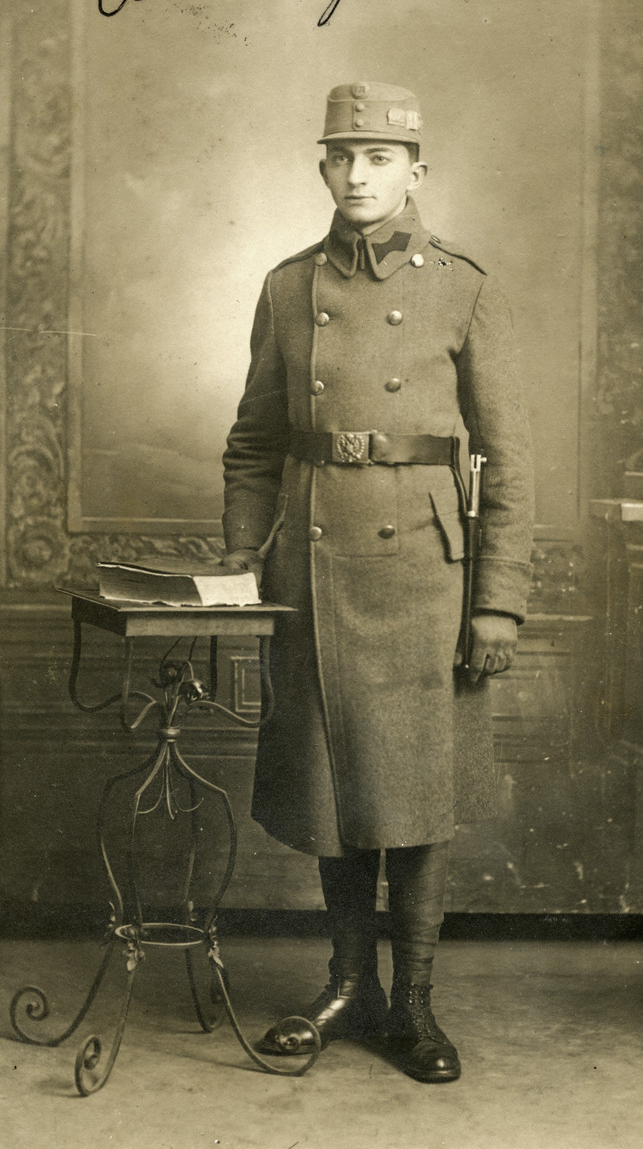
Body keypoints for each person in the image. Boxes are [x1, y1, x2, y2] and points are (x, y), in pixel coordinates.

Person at [221, 81, 534, 1083]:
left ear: (415, 170)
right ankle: (348, 984)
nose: (358, 175)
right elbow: (252, 445)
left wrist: (499, 600)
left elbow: (511, 460)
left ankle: (416, 1006)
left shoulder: (460, 285)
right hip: (311, 569)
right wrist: (240, 562)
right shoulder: (284, 286)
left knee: (419, 789)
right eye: (341, 156)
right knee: (330, 779)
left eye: (379, 158)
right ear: (322, 167)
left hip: (426, 579)